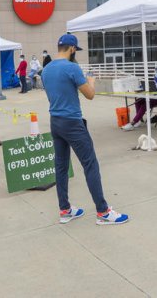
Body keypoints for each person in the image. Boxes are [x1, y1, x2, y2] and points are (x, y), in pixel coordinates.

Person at [42, 34, 128, 225]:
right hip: (72, 122)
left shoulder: (46, 69)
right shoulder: (72, 67)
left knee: (61, 166)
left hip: (55, 121)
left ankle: (65, 210)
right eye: (75, 50)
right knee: (90, 164)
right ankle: (103, 212)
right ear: (72, 48)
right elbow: (89, 95)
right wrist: (91, 82)